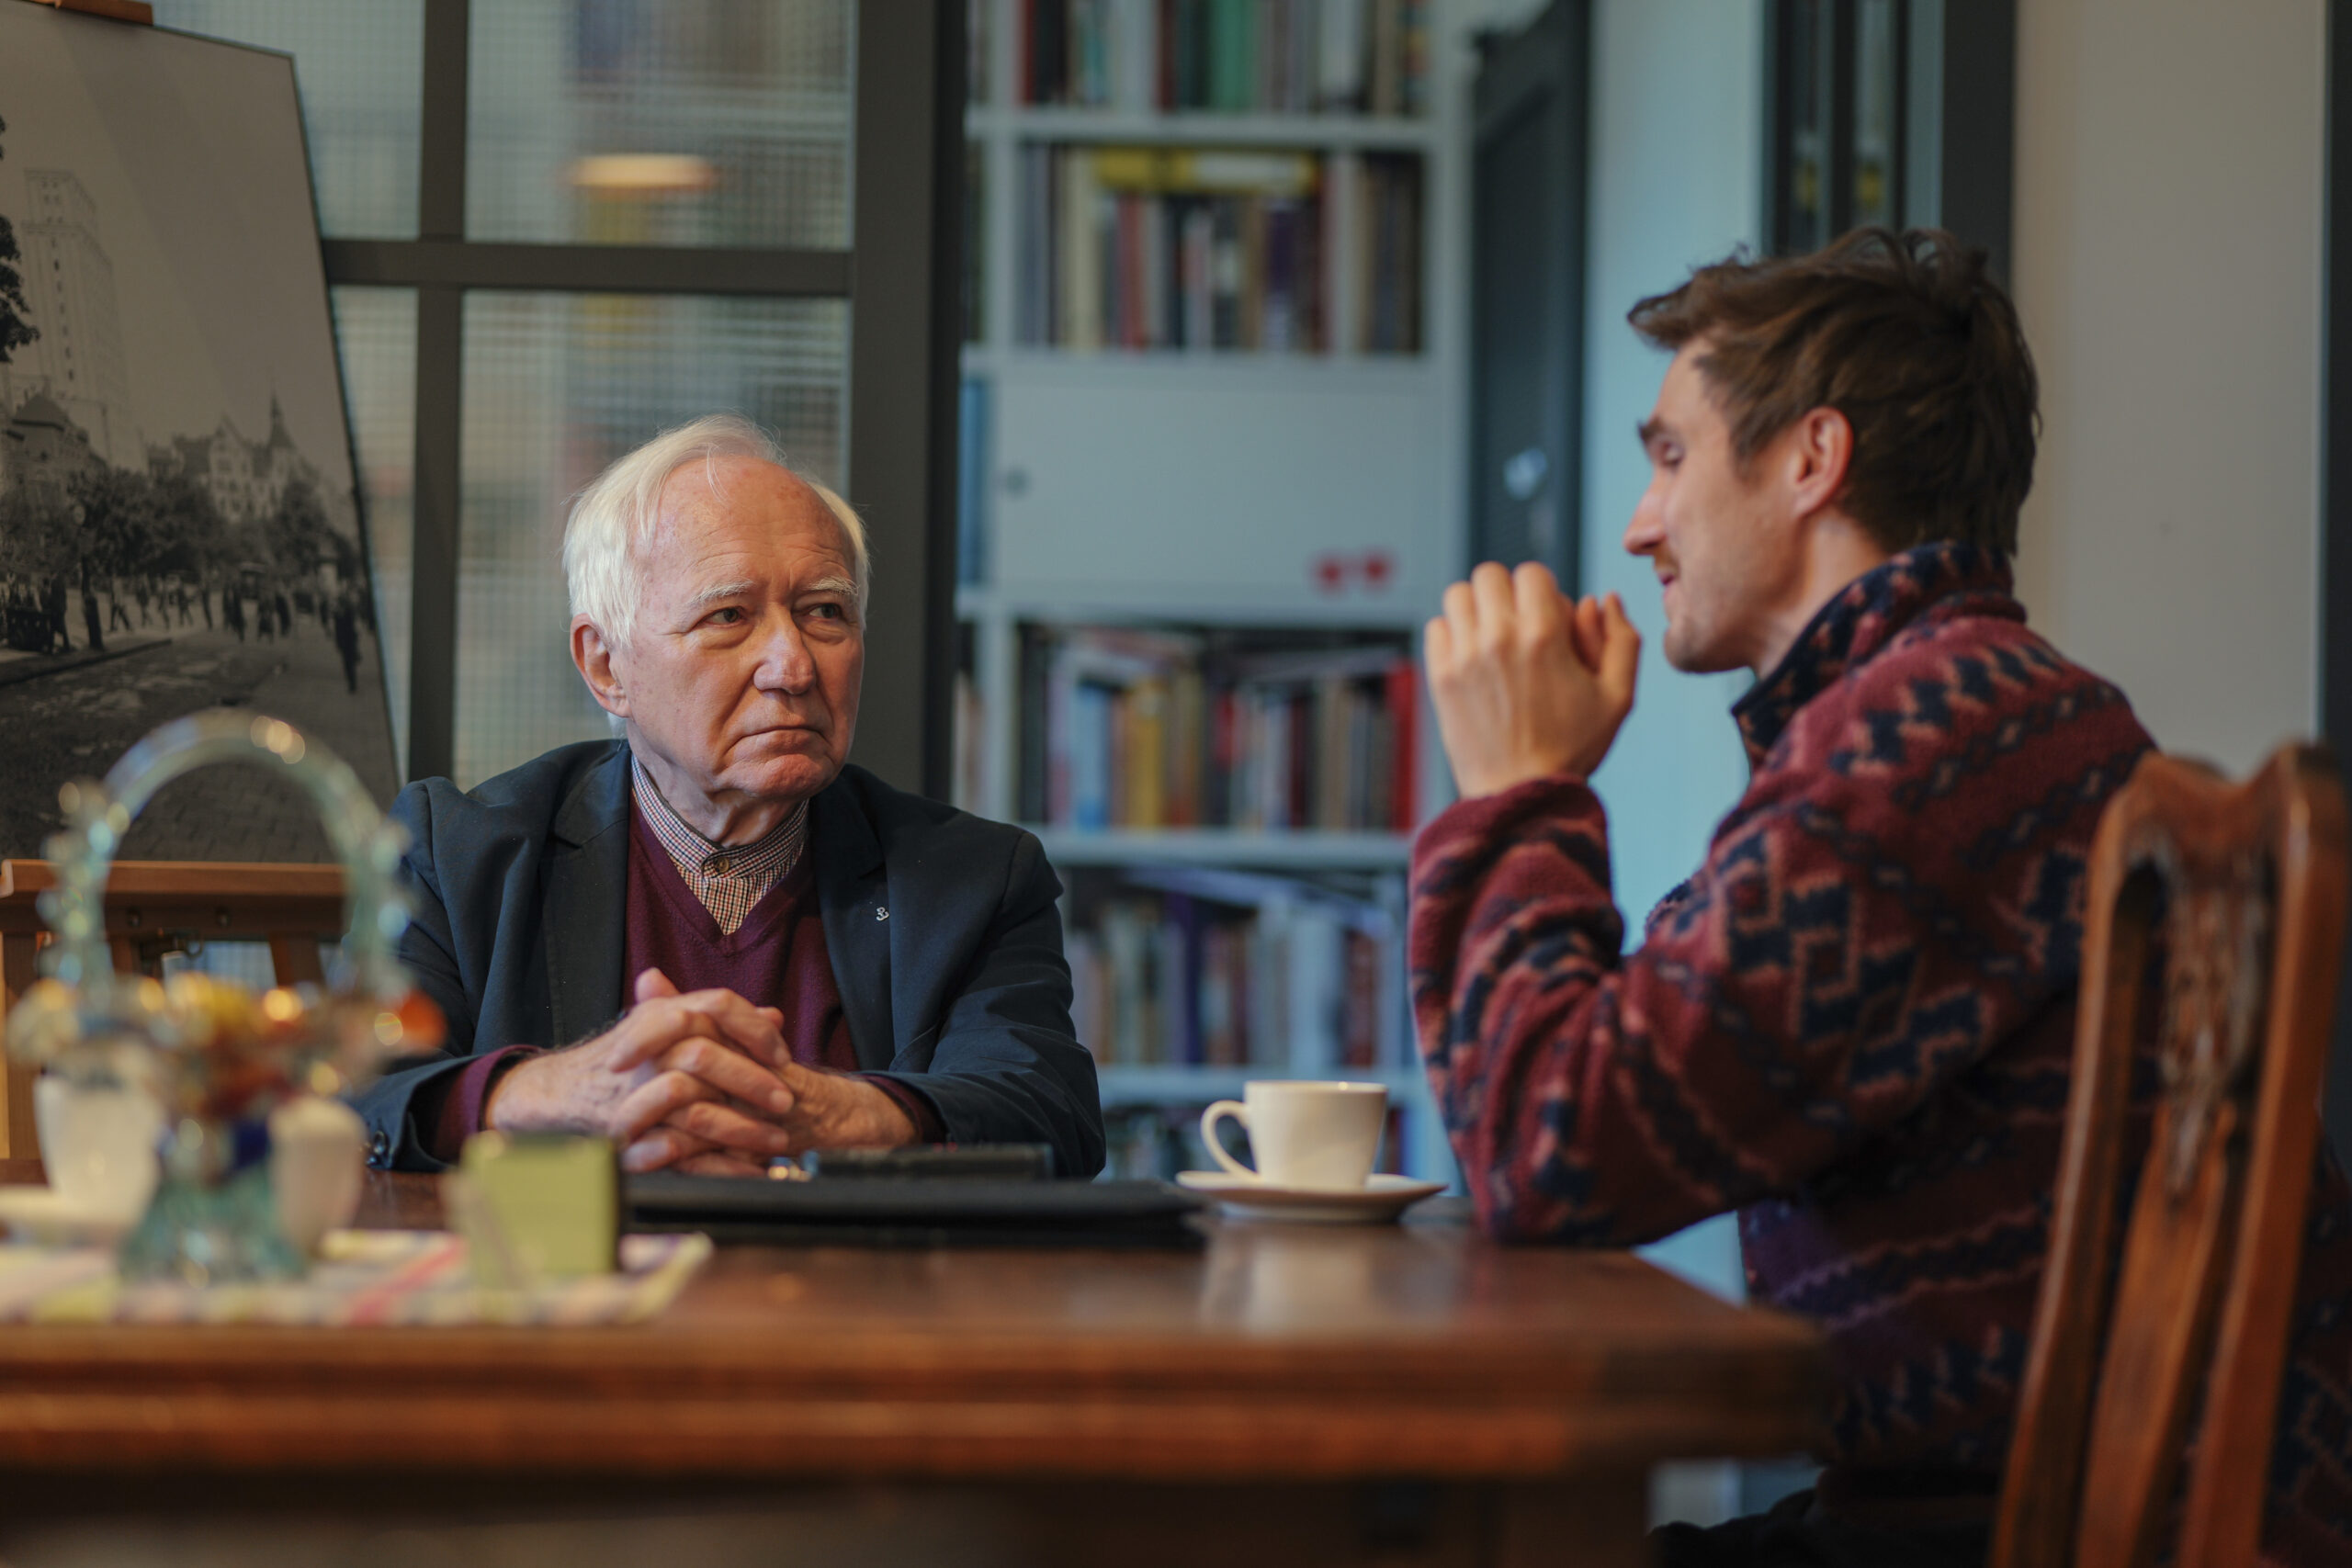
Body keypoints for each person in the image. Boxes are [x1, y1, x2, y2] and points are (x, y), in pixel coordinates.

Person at [1408, 229, 2352, 1567]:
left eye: (1670, 456)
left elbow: (1547, 1156)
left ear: (1812, 457)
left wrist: (1519, 789)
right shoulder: (1953, 712)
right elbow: (1620, 1058)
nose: (1638, 523)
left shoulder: (1932, 736)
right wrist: (1533, 797)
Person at [352, 414, 1104, 1180]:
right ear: (607, 666)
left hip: (848, 1262)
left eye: (824, 611)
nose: (792, 667)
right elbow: (355, 1096)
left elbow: (1050, 1114)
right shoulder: (460, 853)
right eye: (728, 616)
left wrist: (821, 1112)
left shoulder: (974, 879)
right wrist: (548, 1093)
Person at [332, 591, 360, 694]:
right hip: (346, 641)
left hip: (348, 641)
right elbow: (338, 629)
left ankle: (352, 684)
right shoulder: (340, 613)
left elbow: (350, 628)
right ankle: (351, 682)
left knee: (349, 663)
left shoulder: (347, 612)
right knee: (347, 663)